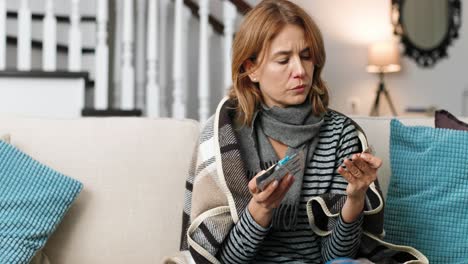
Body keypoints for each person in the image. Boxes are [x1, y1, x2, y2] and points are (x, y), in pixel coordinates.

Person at [178, 1, 415, 263]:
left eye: (306, 56)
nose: (300, 71)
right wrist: (260, 209)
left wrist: (355, 199)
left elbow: (337, 256)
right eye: (283, 60)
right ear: (251, 68)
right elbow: (225, 261)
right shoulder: (226, 138)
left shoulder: (341, 134)